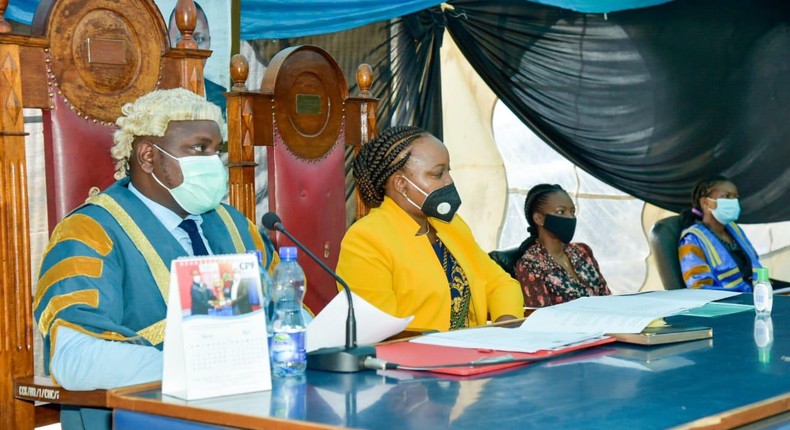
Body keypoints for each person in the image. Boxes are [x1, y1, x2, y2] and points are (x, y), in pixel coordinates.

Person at [32, 88, 276, 429]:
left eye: (216, 151)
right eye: (199, 149)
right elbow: (73, 358)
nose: (213, 164)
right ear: (148, 156)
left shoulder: (236, 226)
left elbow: (288, 314)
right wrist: (196, 368)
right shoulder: (88, 232)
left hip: (253, 407)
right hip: (143, 416)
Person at [336, 126, 523, 332]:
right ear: (401, 184)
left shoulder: (451, 225)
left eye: (448, 171)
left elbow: (501, 283)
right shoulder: (366, 238)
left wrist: (505, 327)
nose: (449, 181)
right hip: (415, 360)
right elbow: (377, 329)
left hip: (473, 354)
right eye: (438, 174)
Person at [513, 184, 610, 307]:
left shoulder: (582, 251)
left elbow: (606, 297)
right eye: (560, 211)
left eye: (572, 211)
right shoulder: (530, 265)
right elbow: (542, 317)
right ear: (539, 219)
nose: (570, 217)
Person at [678, 176, 761, 291]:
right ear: (706, 203)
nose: (733, 202)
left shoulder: (735, 230)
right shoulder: (692, 239)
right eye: (726, 196)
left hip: (755, 294)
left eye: (735, 197)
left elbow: (755, 265)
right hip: (729, 303)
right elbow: (700, 287)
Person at [167, 1, 226, 112]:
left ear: (209, 43)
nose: (191, 47)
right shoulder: (155, 95)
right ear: (167, 43)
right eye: (180, 39)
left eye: (199, 39)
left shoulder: (223, 99)